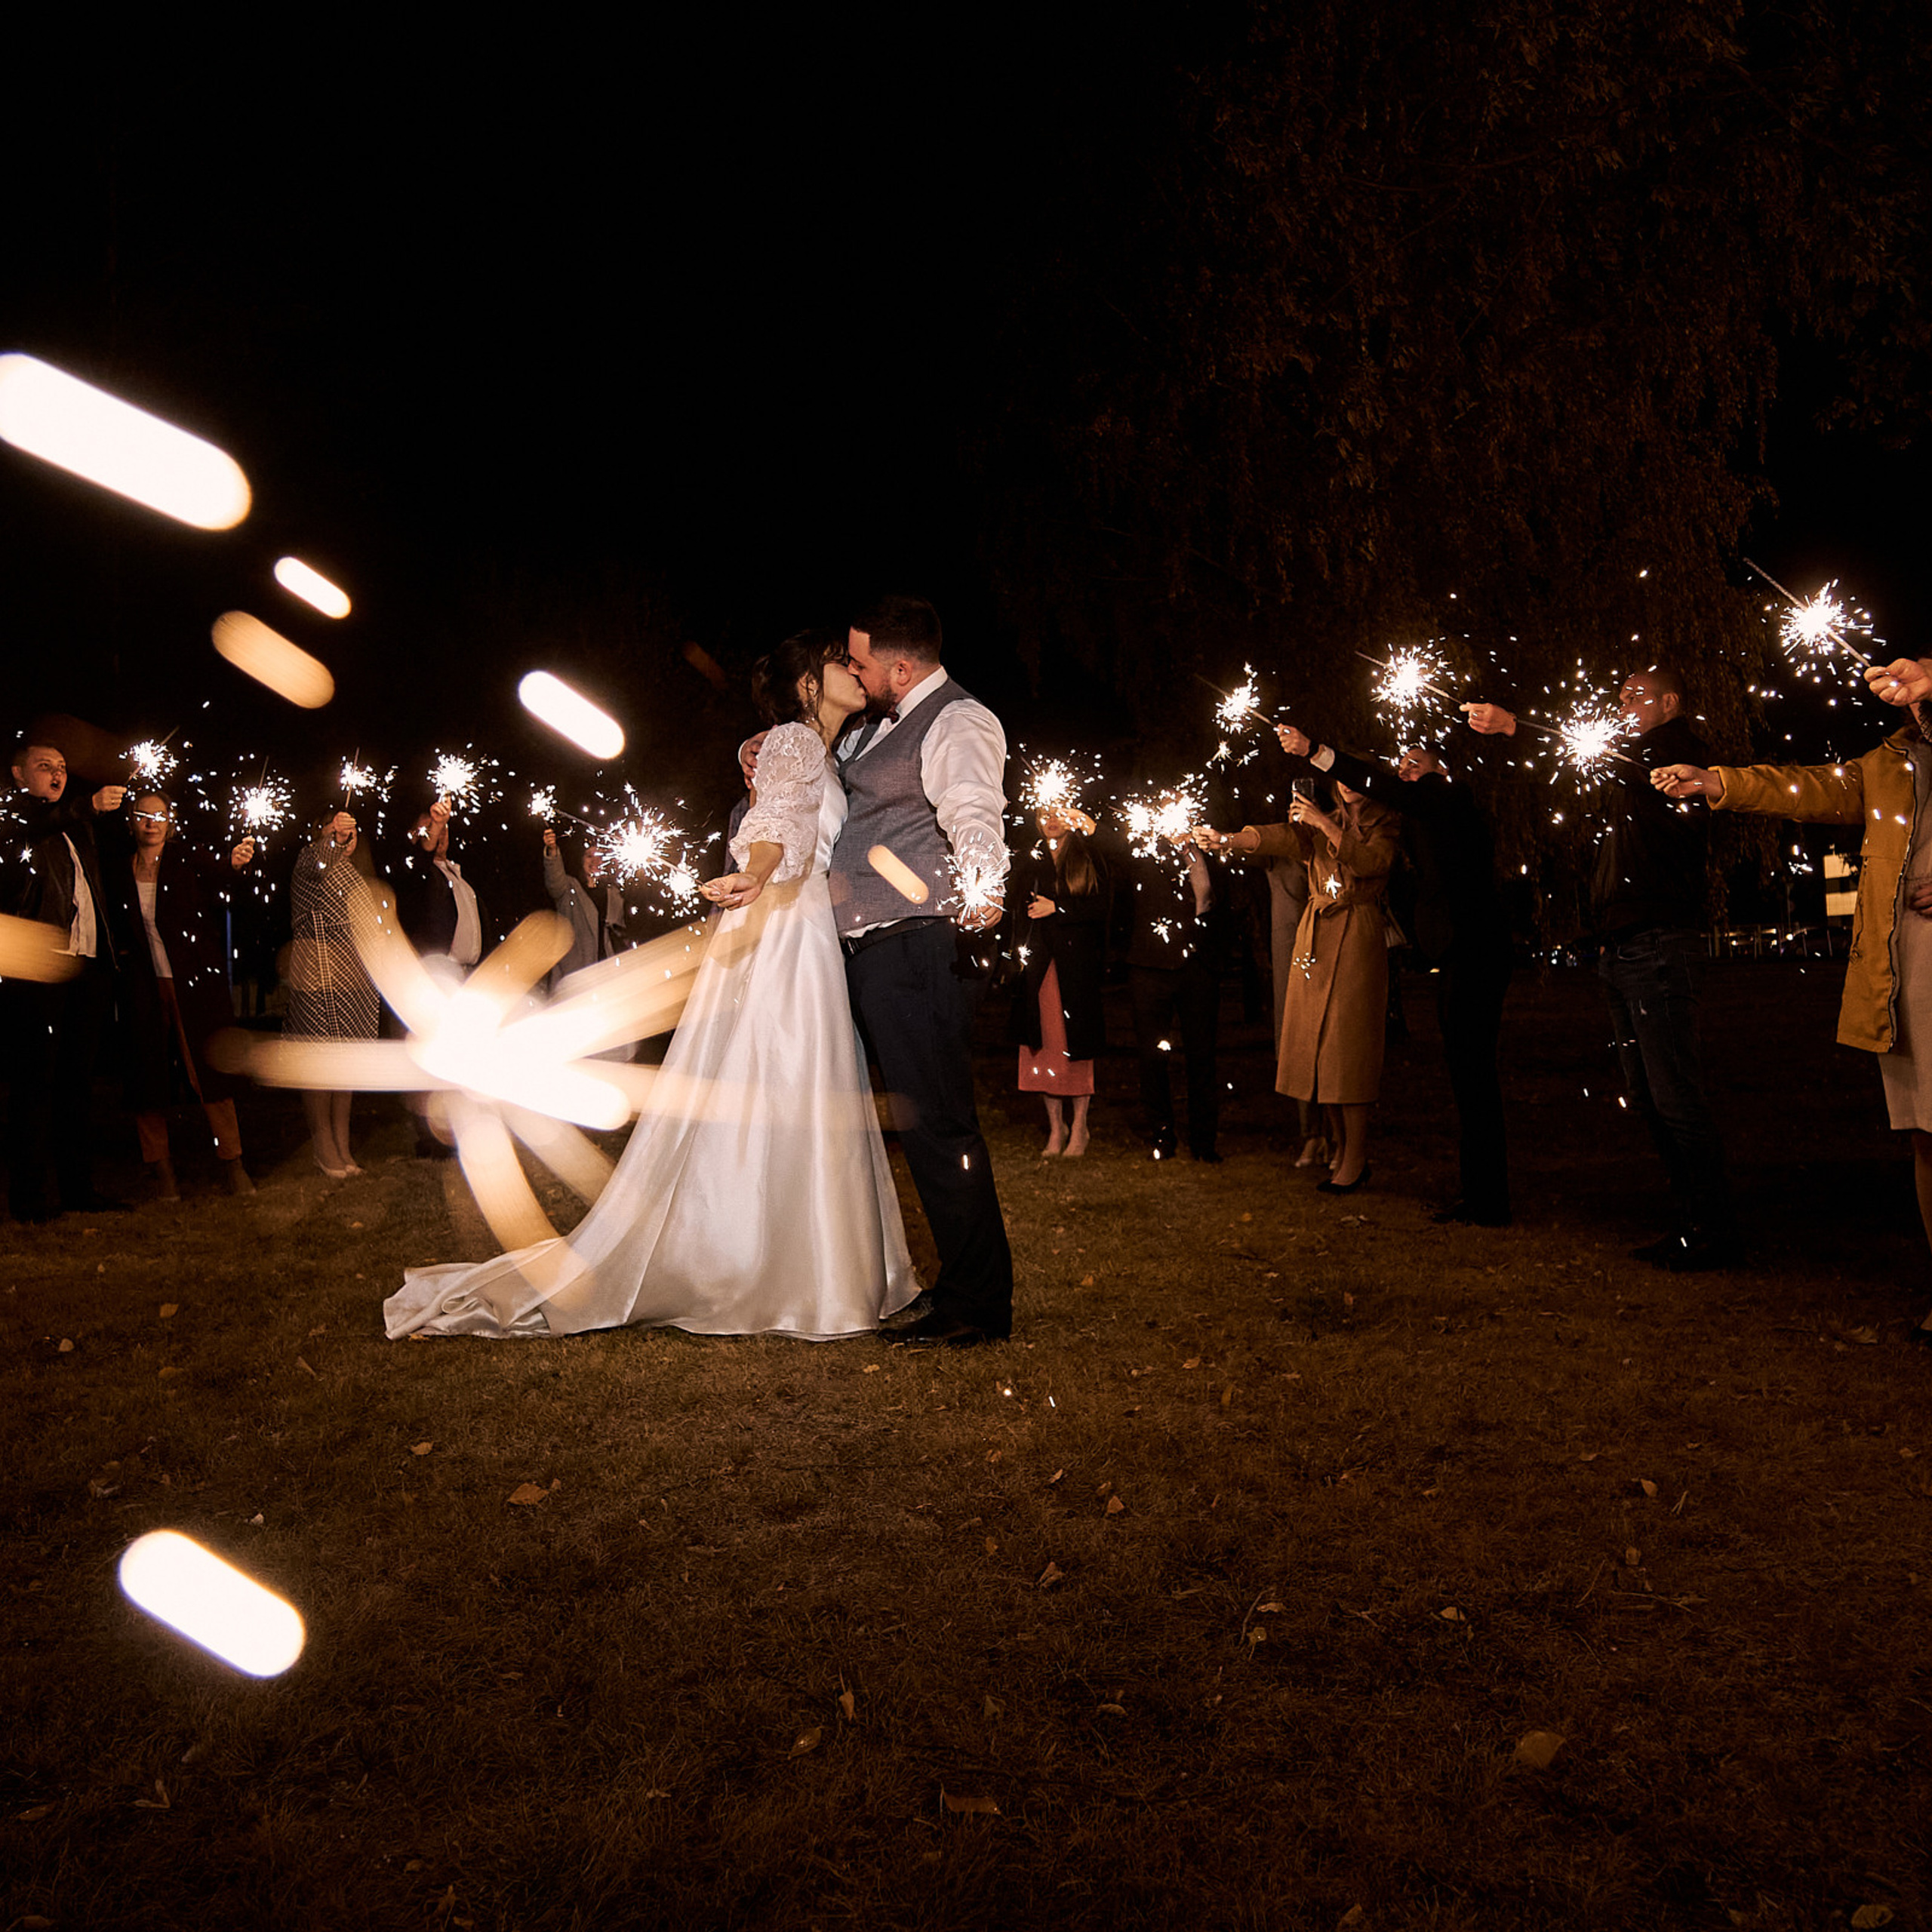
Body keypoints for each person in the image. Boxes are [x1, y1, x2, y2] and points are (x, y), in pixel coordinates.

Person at [384, 629, 918, 1342]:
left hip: (798, 926)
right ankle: (789, 1269)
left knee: (784, 1085)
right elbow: (776, 824)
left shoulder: (818, 747)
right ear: (807, 685)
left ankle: (792, 1256)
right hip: (784, 929)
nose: (856, 670)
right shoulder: (794, 741)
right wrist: (757, 873)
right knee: (788, 1078)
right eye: (838, 662)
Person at [1654, 705, 1932, 1340]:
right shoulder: (1890, 763)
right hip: (1909, 966)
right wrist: (1716, 781)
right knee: (1926, 1134)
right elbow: (1805, 787)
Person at [1466, 669, 1734, 1267]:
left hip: (1659, 946)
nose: (1622, 706)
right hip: (1625, 947)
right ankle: (1691, 1221)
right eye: (1619, 698)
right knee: (1647, 1095)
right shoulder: (1637, 768)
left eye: (1635, 696)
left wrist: (1517, 725)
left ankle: (1711, 1230)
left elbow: (1606, 757)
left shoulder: (1674, 755)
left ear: (1670, 702)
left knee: (1675, 1096)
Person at [835, 594, 1014, 1345]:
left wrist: (982, 892)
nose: (852, 670)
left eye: (859, 661)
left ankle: (976, 1306)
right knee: (928, 1123)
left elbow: (973, 808)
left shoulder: (957, 720)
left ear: (899, 666)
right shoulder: (884, 727)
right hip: (885, 948)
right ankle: (962, 1288)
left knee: (939, 1123)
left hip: (920, 945)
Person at [1277, 724, 1513, 1225]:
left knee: (1474, 1074)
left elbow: (1376, 805)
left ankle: (1488, 1200)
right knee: (1467, 1073)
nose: (1402, 772)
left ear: (1439, 771)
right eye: (1400, 764)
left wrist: (1316, 751)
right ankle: (1481, 1195)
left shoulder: (1444, 797)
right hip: (1459, 949)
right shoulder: (1425, 811)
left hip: (1474, 947)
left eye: (1413, 764)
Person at [1201, 776, 1399, 1192]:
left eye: (1356, 777)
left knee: (1348, 1051)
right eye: (1340, 777)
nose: (1347, 785)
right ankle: (1341, 1151)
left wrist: (1325, 826)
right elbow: (1281, 839)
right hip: (1315, 937)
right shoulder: (1317, 822)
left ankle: (1356, 1154)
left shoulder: (1387, 824)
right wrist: (1229, 840)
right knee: (1320, 1049)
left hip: (1355, 931)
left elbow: (1370, 863)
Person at [102, 792, 258, 1201]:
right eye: (143, 816)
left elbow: (223, 873)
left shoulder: (187, 859)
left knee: (208, 1069)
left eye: (160, 816)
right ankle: (163, 1172)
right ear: (131, 822)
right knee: (147, 1074)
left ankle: (233, 1163)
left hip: (193, 983)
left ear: (171, 822)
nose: (151, 823)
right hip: (144, 984)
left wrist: (236, 863)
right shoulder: (120, 869)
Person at [3, 738, 128, 1220]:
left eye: (62, 767)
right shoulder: (13, 817)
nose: (56, 773)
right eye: (43, 766)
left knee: (76, 1083)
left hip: (86, 967)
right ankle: (29, 1199)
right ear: (19, 775)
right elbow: (33, 831)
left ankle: (79, 1189)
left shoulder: (79, 828)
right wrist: (84, 806)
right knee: (35, 1084)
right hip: (40, 968)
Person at [389, 797, 493, 1155]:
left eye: (444, 828)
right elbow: (416, 863)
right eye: (432, 829)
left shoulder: (456, 872)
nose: (441, 834)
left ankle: (455, 1129)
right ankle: (430, 1138)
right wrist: (431, 827)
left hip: (462, 974)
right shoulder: (416, 875)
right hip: (433, 972)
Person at [1124, 825, 1229, 1164]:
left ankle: (1204, 1142)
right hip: (1151, 968)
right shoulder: (1145, 851)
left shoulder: (1210, 852)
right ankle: (1162, 1136)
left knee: (1202, 1057)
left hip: (1200, 968)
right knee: (1153, 1057)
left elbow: (1223, 899)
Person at [287, 808, 380, 1180]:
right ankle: (323, 1149)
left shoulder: (354, 871)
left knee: (346, 1065)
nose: (343, 837)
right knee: (321, 1063)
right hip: (319, 971)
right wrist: (333, 839)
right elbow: (321, 860)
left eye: (349, 833)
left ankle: (342, 1147)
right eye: (334, 831)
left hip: (353, 973)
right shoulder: (310, 858)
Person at [1011, 805, 1107, 1157]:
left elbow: (1102, 908)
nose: (1051, 820)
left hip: (1075, 967)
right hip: (1038, 968)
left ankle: (1080, 1127)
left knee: (1075, 1044)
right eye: (1044, 814)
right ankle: (1056, 1129)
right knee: (1044, 1046)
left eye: (1058, 814)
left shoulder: (1088, 855)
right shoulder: (1029, 857)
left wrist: (1059, 908)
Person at [540, 826, 625, 989]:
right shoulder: (569, 888)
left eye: (599, 856)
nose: (595, 861)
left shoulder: (614, 893)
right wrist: (553, 851)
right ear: (581, 860)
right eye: (589, 856)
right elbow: (554, 879)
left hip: (607, 974)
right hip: (575, 975)